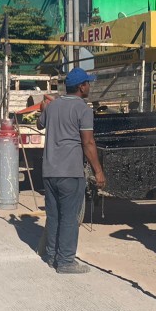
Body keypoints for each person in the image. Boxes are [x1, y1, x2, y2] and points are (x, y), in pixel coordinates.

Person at [37, 68, 106, 274]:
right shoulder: (83, 110)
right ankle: (66, 261)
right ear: (81, 87)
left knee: (54, 215)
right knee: (69, 217)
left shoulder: (52, 106)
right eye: (87, 83)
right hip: (70, 172)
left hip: (49, 172)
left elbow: (40, 124)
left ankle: (51, 256)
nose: (89, 86)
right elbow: (88, 142)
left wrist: (43, 108)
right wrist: (98, 172)